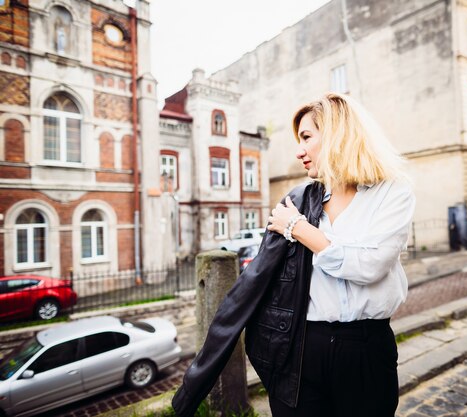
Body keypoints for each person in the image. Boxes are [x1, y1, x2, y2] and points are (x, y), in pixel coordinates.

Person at [172, 93, 415, 417]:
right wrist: (193, 387)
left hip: (365, 350)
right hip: (301, 350)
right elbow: (253, 283)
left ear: (336, 135)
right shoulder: (297, 199)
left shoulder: (393, 192)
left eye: (306, 137)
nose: (298, 150)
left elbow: (370, 266)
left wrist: (299, 229)